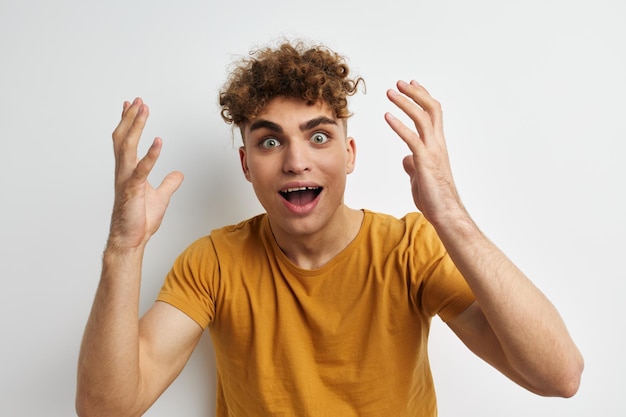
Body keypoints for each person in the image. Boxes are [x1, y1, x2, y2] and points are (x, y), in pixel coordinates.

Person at [76, 40, 583, 417]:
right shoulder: (213, 262)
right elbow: (106, 408)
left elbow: (559, 376)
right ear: (246, 164)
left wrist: (448, 212)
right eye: (270, 142)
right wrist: (124, 247)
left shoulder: (409, 250)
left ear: (349, 153)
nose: (296, 161)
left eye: (319, 136)